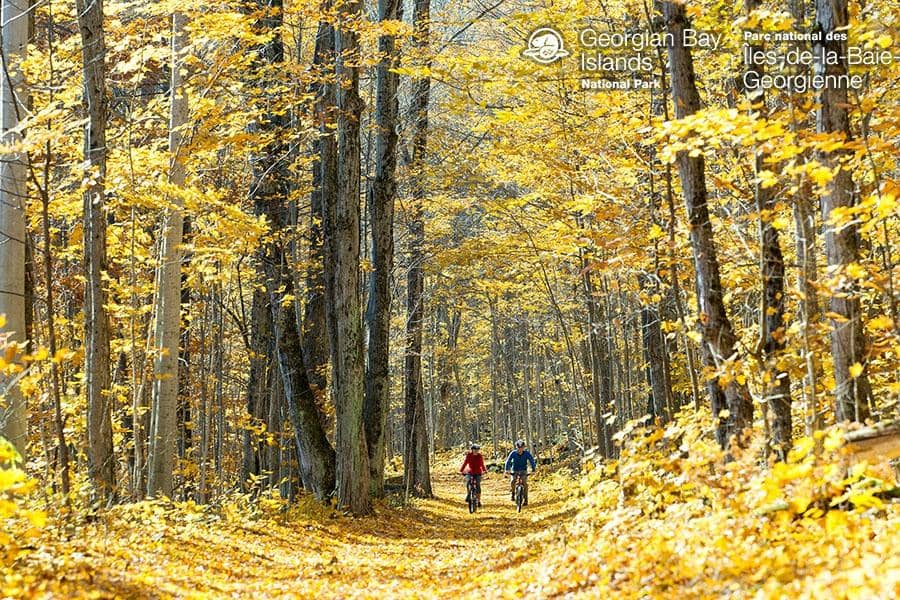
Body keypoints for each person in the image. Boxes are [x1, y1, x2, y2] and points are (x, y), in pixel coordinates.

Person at [504, 440, 536, 505]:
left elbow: (532, 460)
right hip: (514, 470)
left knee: (525, 483)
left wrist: (533, 469)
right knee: (513, 481)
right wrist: (507, 470)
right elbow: (508, 461)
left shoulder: (527, 453)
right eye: (519, 448)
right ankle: (513, 493)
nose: (520, 449)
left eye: (521, 448)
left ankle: (526, 500)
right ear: (516, 447)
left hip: (523, 470)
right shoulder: (513, 453)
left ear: (524, 448)